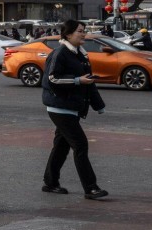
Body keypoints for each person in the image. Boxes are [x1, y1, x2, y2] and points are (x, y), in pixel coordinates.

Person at [41, 20, 109, 200]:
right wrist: (77, 80)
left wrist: (98, 105)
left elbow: (89, 81)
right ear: (68, 34)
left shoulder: (81, 55)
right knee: (80, 145)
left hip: (72, 108)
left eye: (84, 31)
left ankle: (50, 182)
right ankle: (91, 188)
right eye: (80, 31)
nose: (84, 34)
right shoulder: (60, 53)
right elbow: (52, 79)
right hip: (59, 107)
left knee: (61, 147)